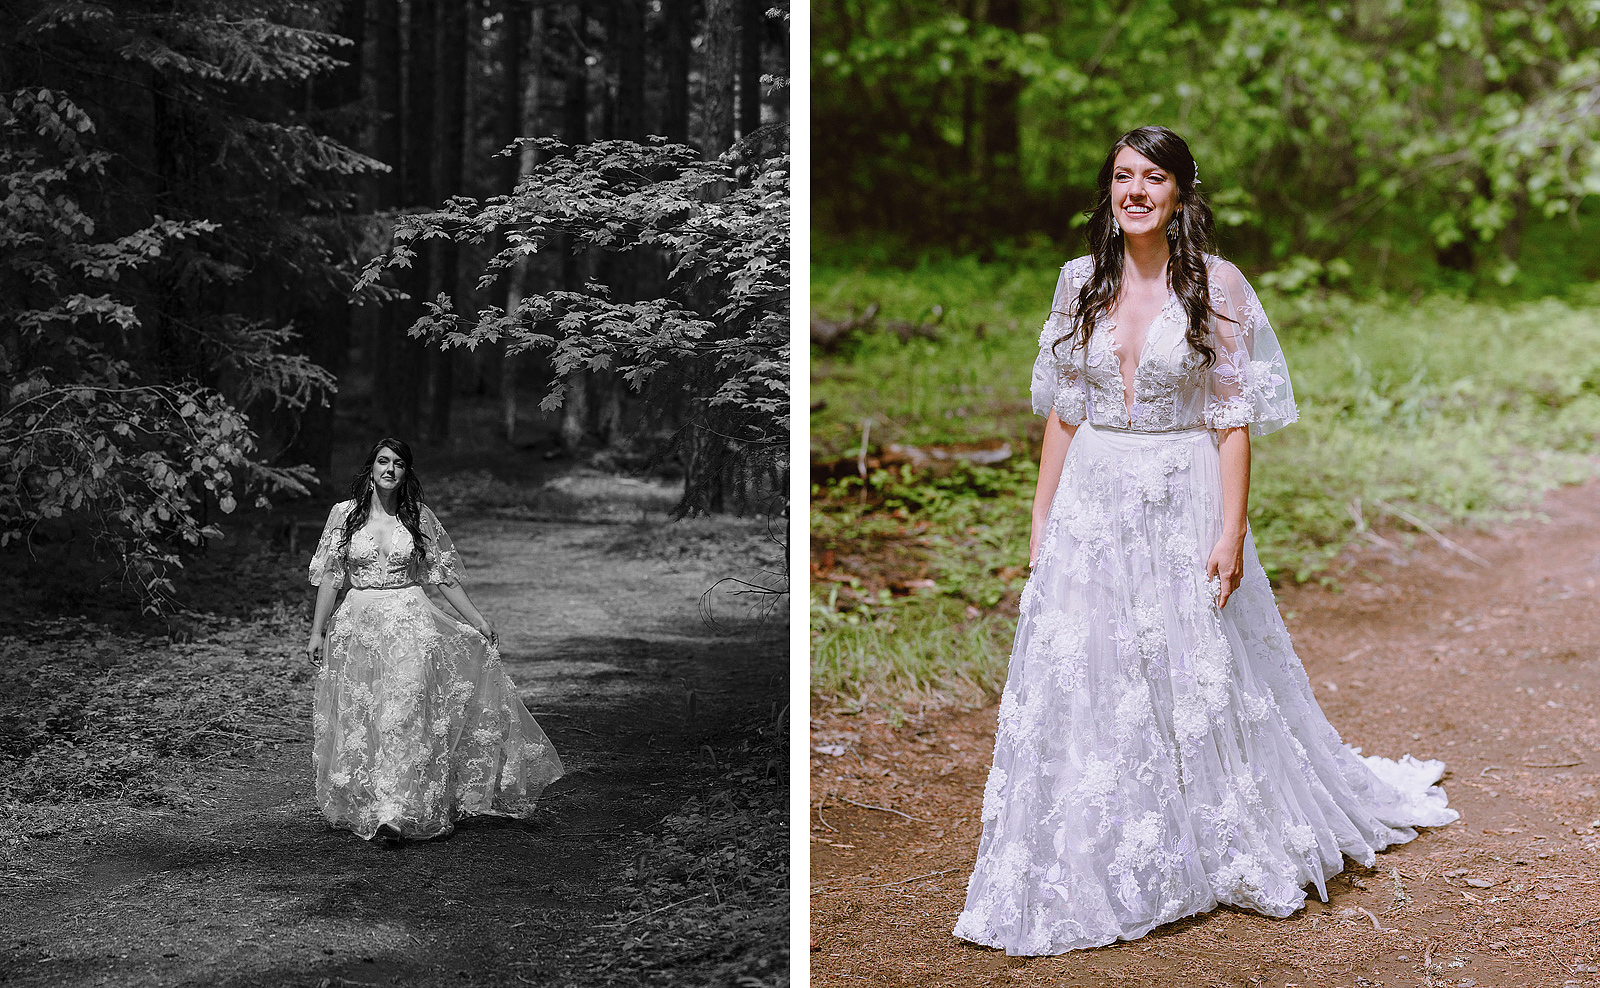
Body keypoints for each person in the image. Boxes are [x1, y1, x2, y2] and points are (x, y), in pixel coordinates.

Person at [952, 127, 1458, 955]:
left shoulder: (1215, 285)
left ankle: (1214, 829)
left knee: (1197, 666)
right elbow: (1064, 410)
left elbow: (1232, 418)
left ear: (1182, 194)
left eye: (1154, 178)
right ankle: (1106, 835)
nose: (1136, 191)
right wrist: (1040, 519)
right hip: (1093, 498)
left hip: (1182, 490)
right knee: (1097, 662)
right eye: (1122, 177)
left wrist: (1231, 528)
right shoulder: (1079, 282)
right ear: (1108, 193)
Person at [305, 438, 564, 842]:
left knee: (405, 708)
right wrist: (318, 630)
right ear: (371, 469)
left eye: (399, 464)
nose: (390, 470)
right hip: (358, 624)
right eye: (383, 462)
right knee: (367, 711)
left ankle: (398, 808)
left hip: (410, 621)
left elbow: (443, 576)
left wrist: (477, 619)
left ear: (406, 472)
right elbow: (331, 576)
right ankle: (371, 799)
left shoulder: (417, 517)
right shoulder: (344, 516)